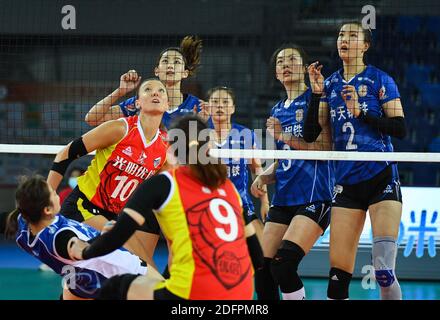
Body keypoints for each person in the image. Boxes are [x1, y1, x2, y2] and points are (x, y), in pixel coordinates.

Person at [68, 115, 264, 300]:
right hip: (241, 292)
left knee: (116, 285)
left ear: (170, 149)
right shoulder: (228, 188)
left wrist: (84, 250)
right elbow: (257, 258)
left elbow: (120, 236)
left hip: (194, 290)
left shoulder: (164, 183)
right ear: (209, 147)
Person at [303, 21, 407, 300]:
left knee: (383, 271)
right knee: (337, 279)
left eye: (351, 35)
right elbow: (311, 134)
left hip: (380, 177)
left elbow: (400, 128)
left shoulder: (380, 80)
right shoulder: (331, 84)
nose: (343, 39)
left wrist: (362, 114)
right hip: (347, 185)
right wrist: (315, 94)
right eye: (340, 35)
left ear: (366, 45)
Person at [47, 78, 169, 268]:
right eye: (148, 90)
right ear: (137, 103)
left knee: (141, 266)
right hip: (83, 207)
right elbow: (65, 154)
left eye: (161, 91)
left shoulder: (164, 147)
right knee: (140, 265)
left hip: (116, 217)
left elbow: (168, 191)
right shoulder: (120, 128)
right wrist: (47, 197)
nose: (155, 93)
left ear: (167, 104)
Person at [251, 44, 333, 300]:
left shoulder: (317, 98)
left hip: (314, 197)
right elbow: (286, 158)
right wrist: (265, 174)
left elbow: (324, 147)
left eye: (292, 59)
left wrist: (282, 135)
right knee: (262, 270)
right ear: (276, 74)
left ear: (304, 67)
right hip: (284, 199)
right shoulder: (277, 110)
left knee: (283, 266)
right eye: (280, 62)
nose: (285, 64)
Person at [4, 175, 151, 300]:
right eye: (53, 193)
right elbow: (82, 250)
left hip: (78, 281)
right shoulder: (60, 238)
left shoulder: (22, 223)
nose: (57, 194)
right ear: (47, 210)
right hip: (119, 271)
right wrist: (106, 237)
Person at [85, 35, 210, 128]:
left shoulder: (198, 107)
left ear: (185, 73)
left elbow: (209, 147)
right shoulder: (141, 102)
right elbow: (92, 119)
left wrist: (202, 124)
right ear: (157, 71)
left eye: (176, 62)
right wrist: (120, 91)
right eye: (165, 61)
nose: (170, 66)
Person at [207, 86, 269, 243]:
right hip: (207, 205)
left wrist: (265, 203)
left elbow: (257, 169)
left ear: (233, 108)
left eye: (225, 102)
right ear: (208, 107)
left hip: (240, 204)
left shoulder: (245, 135)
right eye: (215, 101)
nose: (220, 105)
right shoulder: (199, 135)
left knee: (262, 251)